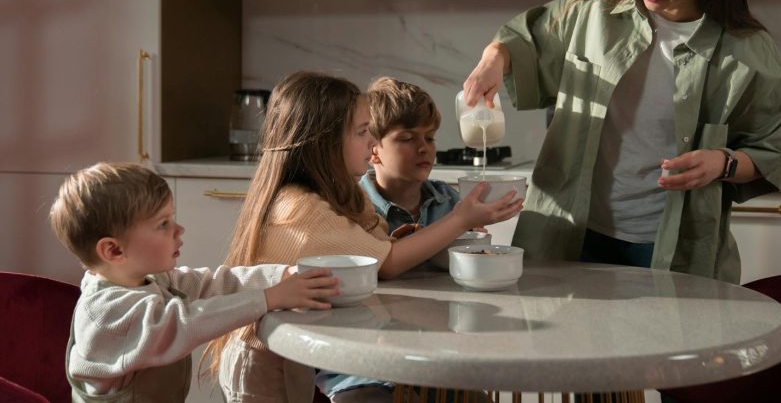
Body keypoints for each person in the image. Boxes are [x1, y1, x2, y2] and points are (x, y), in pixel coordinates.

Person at [463, 0, 781, 284]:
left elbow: (770, 152)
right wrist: (492, 60)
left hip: (671, 244)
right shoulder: (594, 10)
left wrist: (721, 163)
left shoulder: (744, 51)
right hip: (571, 229)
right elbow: (522, 38)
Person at [205, 71, 523, 403]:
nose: (371, 144)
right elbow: (388, 261)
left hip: (297, 350)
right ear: (324, 142)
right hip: (264, 358)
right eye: (362, 133)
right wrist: (461, 219)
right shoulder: (302, 209)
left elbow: (381, 246)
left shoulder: (343, 197)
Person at [48, 162, 340, 402]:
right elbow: (183, 322)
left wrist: (280, 276)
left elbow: (214, 283)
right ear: (114, 251)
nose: (179, 229)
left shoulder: (151, 280)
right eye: (163, 224)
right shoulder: (106, 313)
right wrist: (268, 298)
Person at [314, 76, 486, 402]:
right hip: (362, 354)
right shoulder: (349, 205)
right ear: (373, 150)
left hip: (439, 350)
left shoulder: (451, 202)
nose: (424, 147)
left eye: (430, 137)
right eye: (407, 138)